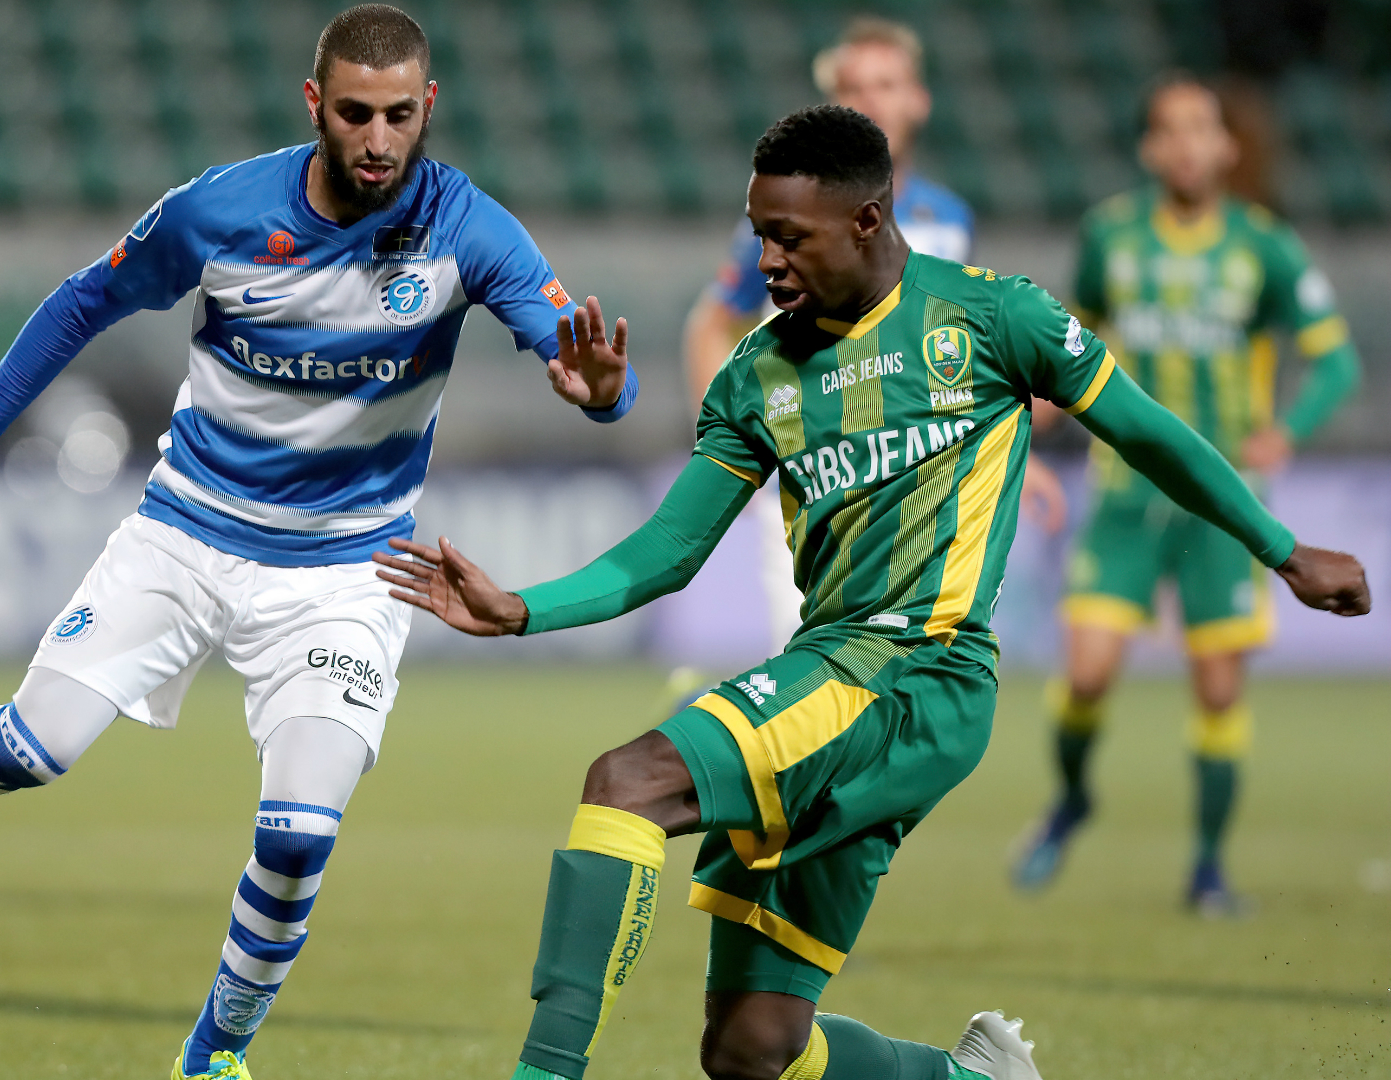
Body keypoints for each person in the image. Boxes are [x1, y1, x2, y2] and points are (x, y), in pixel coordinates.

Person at [375, 105, 1368, 1080]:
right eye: (760, 235)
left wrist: (1283, 552)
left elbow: (1147, 431)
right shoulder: (757, 374)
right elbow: (671, 549)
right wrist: (526, 610)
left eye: (788, 237)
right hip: (839, 670)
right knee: (752, 1049)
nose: (767, 262)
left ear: (866, 220)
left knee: (626, 782)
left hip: (921, 672)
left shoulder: (993, 317)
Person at [0, 7, 635, 1079]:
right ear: (314, 104)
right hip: (184, 535)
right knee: (33, 750)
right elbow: (85, 301)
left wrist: (600, 392)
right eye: (354, 114)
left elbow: (584, 365)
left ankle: (214, 1052)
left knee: (300, 836)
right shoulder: (220, 210)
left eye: (398, 115)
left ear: (428, 108)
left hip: (346, 570)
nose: (377, 140)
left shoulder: (468, 227)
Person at [1010, 74, 1362, 912]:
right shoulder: (1111, 236)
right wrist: (1030, 419)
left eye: (1201, 128)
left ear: (1227, 147)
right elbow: (1069, 346)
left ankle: (1207, 869)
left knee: (1218, 690)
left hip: (1225, 501)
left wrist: (1287, 429)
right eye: (1169, 129)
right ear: (1149, 147)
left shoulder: (1264, 247)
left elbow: (1337, 361)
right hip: (1125, 493)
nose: (1186, 145)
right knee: (1086, 675)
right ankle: (1072, 800)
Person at [681, 16, 1058, 665]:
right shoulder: (790, 211)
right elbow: (710, 323)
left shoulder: (948, 219)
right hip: (817, 475)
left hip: (918, 485)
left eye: (886, 85)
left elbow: (957, 356)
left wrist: (1011, 446)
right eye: (854, 88)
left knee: (900, 685)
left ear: (919, 100)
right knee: (813, 678)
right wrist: (724, 453)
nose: (871, 101)